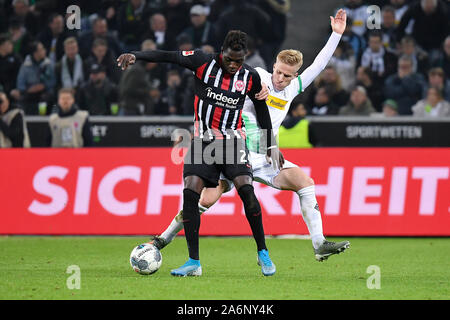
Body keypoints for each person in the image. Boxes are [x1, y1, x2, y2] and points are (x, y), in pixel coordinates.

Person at [148, 9, 350, 267]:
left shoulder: (295, 88)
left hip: (266, 156)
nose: (280, 79)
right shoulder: (255, 76)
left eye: (287, 76)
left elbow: (319, 64)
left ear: (295, 76)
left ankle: (319, 244)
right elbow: (224, 86)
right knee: (204, 200)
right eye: (278, 72)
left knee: (305, 182)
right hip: (234, 150)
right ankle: (163, 239)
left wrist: (335, 35)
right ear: (273, 66)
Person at [118, 30, 279, 277]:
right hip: (203, 141)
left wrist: (270, 145)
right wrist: (136, 55)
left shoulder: (250, 76)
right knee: (190, 192)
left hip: (233, 141)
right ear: (221, 52)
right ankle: (194, 262)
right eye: (230, 59)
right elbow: (167, 56)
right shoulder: (202, 61)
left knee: (246, 189)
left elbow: (261, 109)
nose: (234, 65)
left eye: (239, 60)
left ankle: (263, 252)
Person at [16, 41, 55, 115]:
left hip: (45, 91)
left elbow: (53, 81)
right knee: (22, 99)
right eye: (41, 49)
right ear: (35, 53)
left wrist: (44, 86)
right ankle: (23, 118)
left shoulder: (48, 64)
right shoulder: (25, 66)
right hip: (29, 92)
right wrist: (29, 89)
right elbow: (20, 83)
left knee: (45, 98)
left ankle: (43, 120)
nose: (44, 51)